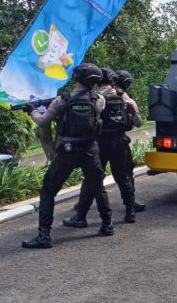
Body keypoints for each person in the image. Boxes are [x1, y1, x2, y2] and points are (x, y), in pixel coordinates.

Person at [22, 63, 113, 249]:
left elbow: (42, 121)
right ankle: (107, 225)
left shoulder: (61, 101)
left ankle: (44, 236)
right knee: (98, 188)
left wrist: (32, 110)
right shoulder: (99, 100)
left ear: (77, 78)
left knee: (48, 191)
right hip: (90, 150)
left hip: (67, 152)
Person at [64, 68, 145, 226]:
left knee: (92, 179)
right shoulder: (125, 98)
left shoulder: (96, 99)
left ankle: (80, 215)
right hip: (120, 142)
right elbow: (138, 123)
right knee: (124, 177)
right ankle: (130, 212)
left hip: (99, 144)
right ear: (114, 81)